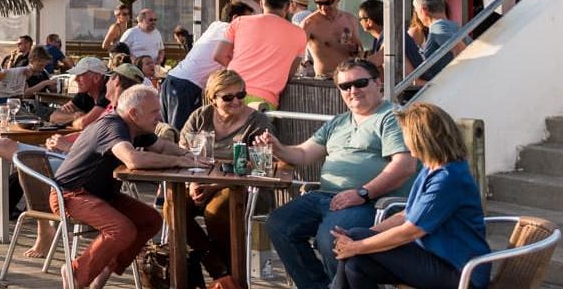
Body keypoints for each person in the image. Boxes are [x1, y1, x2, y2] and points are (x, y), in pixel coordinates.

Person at [260, 59, 418, 288]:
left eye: (360, 83)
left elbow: (404, 166)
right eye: (345, 86)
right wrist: (278, 148)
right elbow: (303, 154)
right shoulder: (338, 122)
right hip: (326, 196)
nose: (353, 90)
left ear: (378, 83)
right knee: (278, 223)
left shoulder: (391, 116)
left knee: (332, 238)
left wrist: (362, 192)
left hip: (371, 201)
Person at [52, 85, 210, 288]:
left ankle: (101, 274)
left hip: (102, 195)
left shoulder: (136, 128)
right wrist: (179, 162)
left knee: (150, 220)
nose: (159, 116)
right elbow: (132, 159)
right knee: (122, 229)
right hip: (71, 194)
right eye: (154, 112)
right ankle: (75, 273)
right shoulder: (113, 126)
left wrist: (188, 156)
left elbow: (161, 146)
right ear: (133, 113)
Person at [332, 102, 490, 289]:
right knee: (356, 265)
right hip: (434, 258)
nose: (403, 140)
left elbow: (410, 231)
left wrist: (357, 244)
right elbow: (407, 214)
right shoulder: (431, 168)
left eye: (405, 135)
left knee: (357, 243)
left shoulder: (448, 178)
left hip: (460, 272)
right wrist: (359, 238)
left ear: (421, 139)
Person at [167, 69, 274, 287]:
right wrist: (192, 184)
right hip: (201, 181)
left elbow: (262, 164)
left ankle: (228, 278)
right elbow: (183, 152)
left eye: (241, 95)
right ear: (213, 98)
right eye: (228, 97)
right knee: (172, 207)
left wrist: (215, 185)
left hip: (246, 187)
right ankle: (219, 273)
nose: (236, 101)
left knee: (216, 211)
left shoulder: (257, 122)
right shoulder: (200, 116)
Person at [161, 2, 256, 129]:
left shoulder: (215, 26)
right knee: (181, 134)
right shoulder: (228, 30)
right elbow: (220, 57)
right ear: (235, 19)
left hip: (174, 80)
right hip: (186, 85)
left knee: (168, 133)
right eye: (247, 20)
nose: (250, 25)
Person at [215, 0, 308, 110]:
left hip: (229, 92)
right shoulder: (299, 34)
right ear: (287, 7)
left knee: (224, 129)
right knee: (256, 130)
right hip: (263, 98)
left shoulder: (239, 22)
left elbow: (219, 55)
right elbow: (290, 73)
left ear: (261, 3)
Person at [300, 0, 363, 78]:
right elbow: (294, 52)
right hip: (324, 79)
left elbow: (360, 51)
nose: (324, 8)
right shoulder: (309, 23)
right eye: (319, 3)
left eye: (328, 3)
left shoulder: (350, 19)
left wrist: (355, 49)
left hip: (348, 77)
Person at [356, 0, 419, 78]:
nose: (359, 22)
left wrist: (353, 67)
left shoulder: (392, 37)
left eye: (360, 19)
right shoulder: (380, 38)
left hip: (411, 87)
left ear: (369, 21)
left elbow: (381, 56)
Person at [412, 0, 465, 83]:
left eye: (417, 12)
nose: (418, 17)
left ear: (423, 11)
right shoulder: (454, 26)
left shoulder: (438, 26)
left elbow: (461, 50)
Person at [50, 57, 113, 129]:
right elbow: (53, 117)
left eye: (80, 75)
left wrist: (78, 119)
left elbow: (83, 124)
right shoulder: (85, 93)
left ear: (96, 78)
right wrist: (74, 116)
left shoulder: (108, 93)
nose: (76, 79)